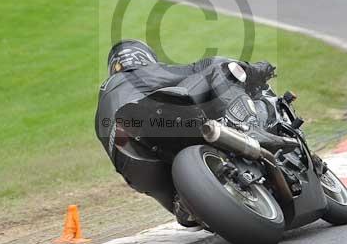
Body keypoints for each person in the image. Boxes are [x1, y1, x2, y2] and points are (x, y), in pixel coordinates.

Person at [94, 39, 283, 224]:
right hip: (153, 120)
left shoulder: (101, 108)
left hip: (133, 166)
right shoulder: (136, 74)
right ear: (141, 57)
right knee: (219, 68)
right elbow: (208, 65)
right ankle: (248, 126)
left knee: (180, 205)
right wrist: (256, 69)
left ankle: (183, 204)